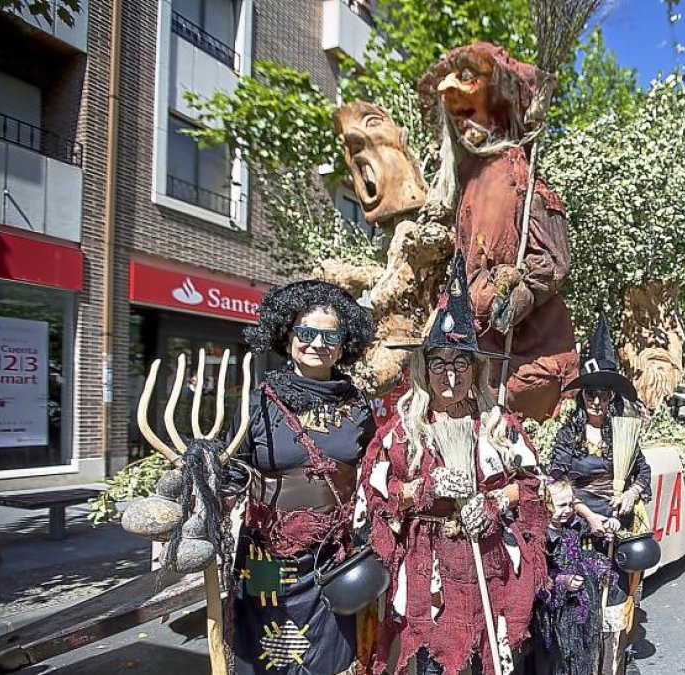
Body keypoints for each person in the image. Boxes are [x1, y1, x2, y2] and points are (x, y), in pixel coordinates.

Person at [360, 251, 549, 675]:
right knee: (431, 663)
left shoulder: (498, 424)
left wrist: (495, 502)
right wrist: (419, 491)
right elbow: (374, 497)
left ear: (475, 368)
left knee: (488, 661)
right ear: (423, 369)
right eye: (440, 363)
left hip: (490, 562)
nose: (450, 374)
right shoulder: (402, 430)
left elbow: (533, 484)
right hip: (427, 574)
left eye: (461, 362)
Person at [417, 42, 579, 421]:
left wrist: (519, 295)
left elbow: (552, 260)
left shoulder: (522, 180)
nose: (463, 126)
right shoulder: (466, 183)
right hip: (468, 335)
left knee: (510, 395)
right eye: (456, 120)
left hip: (521, 347)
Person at [226, 280, 378, 675]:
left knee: (330, 660)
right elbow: (230, 473)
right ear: (287, 335)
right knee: (269, 659)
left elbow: (377, 469)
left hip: (334, 560)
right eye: (306, 332)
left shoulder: (358, 406)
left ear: (344, 344)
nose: (316, 343)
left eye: (331, 335)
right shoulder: (256, 402)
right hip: (265, 557)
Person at [548, 311, 651, 675]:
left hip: (617, 530)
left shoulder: (623, 434)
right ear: (583, 396)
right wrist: (589, 517)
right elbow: (556, 481)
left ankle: (613, 666)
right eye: (590, 392)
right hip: (579, 528)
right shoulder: (567, 435)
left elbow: (644, 472)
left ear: (612, 398)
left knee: (615, 610)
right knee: (583, 604)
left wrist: (631, 494)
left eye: (603, 394)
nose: (596, 400)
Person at [524, 479, 610, 675]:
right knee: (553, 657)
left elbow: (579, 555)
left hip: (575, 607)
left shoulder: (572, 526)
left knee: (575, 652)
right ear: (544, 504)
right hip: (552, 611)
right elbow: (537, 574)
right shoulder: (541, 537)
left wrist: (607, 528)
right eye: (561, 505)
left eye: (571, 504)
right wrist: (561, 581)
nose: (568, 510)